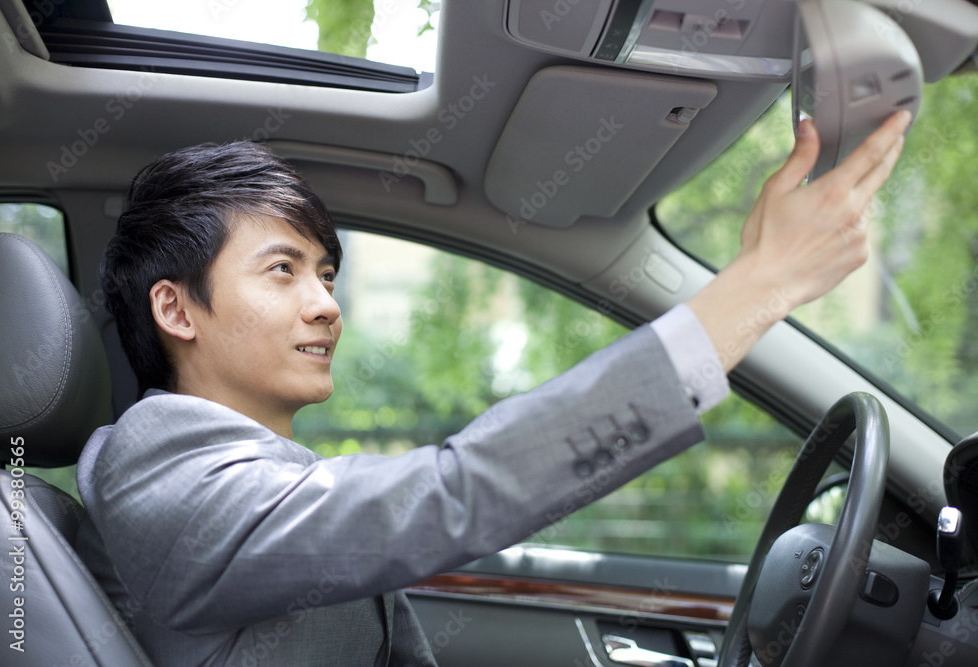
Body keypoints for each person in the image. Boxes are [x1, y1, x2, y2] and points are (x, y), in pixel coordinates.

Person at [74, 110, 912, 666]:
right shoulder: (160, 469)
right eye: (283, 270)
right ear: (175, 308)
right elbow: (452, 490)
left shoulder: (241, 467)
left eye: (326, 272)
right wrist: (759, 287)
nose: (327, 303)